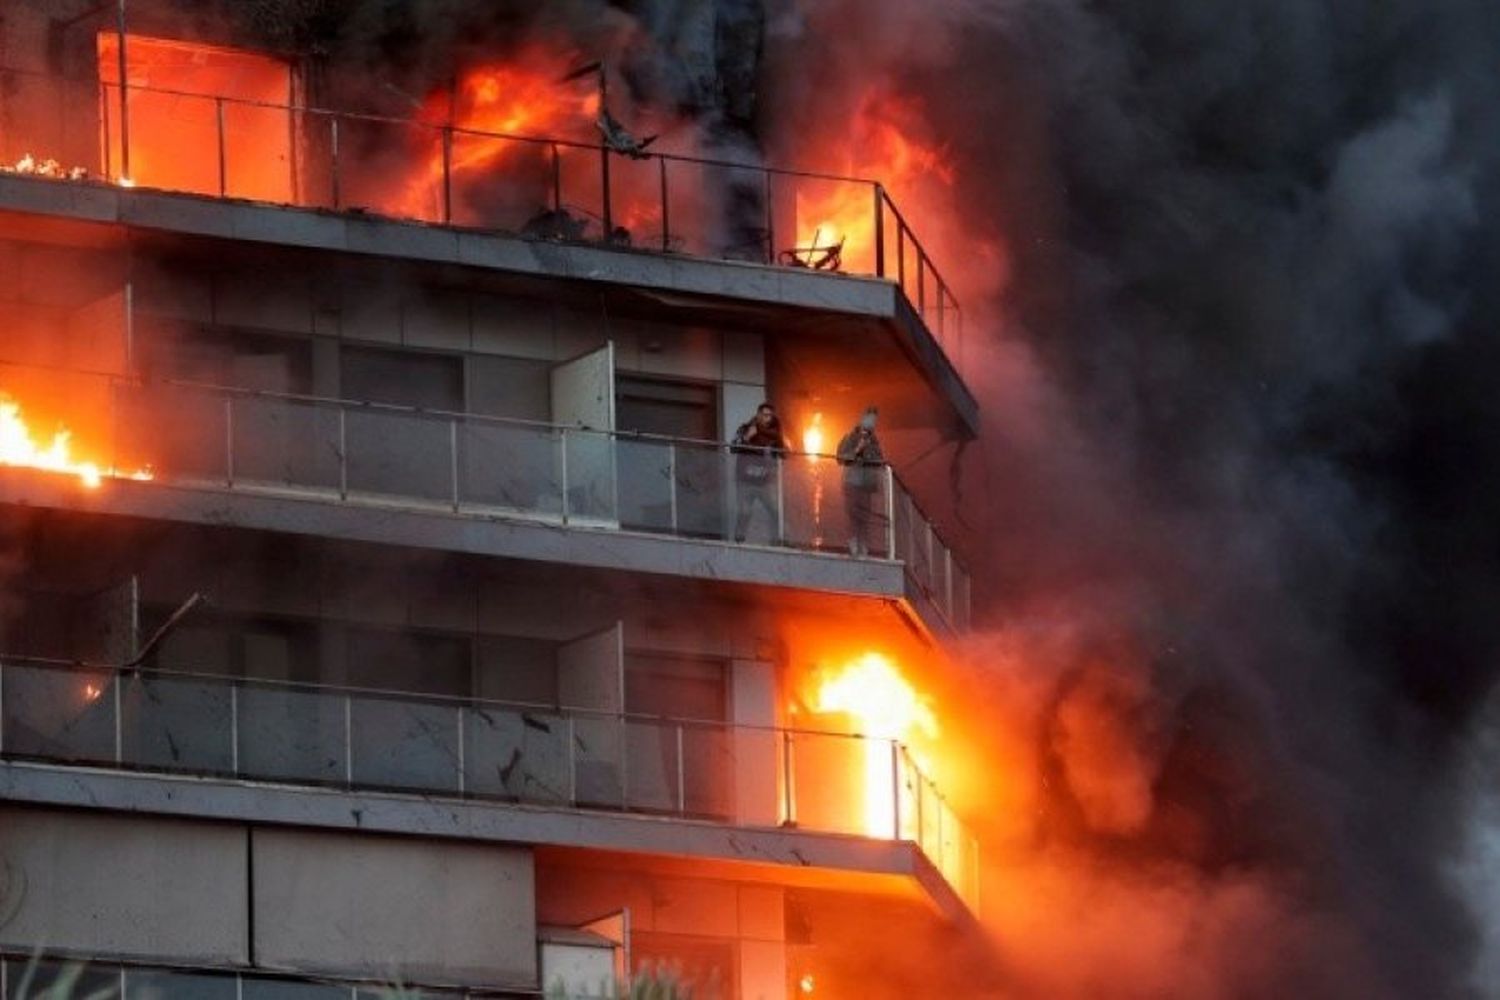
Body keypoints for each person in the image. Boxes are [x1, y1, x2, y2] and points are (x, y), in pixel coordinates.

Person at [730, 402, 790, 543]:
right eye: (764, 415)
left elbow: (786, 454)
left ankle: (780, 540)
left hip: (766, 482)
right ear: (758, 415)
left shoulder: (775, 435)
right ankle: (739, 542)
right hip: (745, 480)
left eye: (769, 416)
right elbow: (732, 447)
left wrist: (779, 441)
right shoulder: (745, 429)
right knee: (744, 512)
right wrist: (747, 438)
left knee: (776, 511)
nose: (766, 418)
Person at [836, 407, 885, 557]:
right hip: (852, 482)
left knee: (864, 516)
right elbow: (840, 457)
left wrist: (871, 455)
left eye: (874, 420)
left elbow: (879, 461)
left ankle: (863, 544)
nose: (871, 422)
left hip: (867, 485)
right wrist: (857, 450)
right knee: (852, 514)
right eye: (869, 418)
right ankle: (852, 542)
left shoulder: (874, 442)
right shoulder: (850, 437)